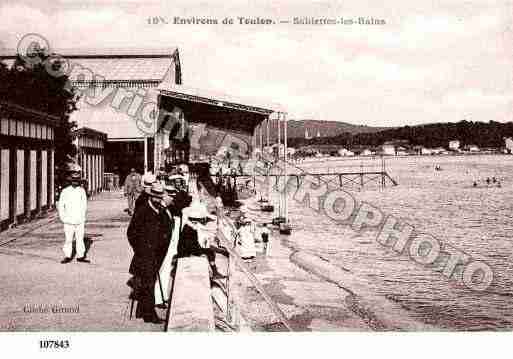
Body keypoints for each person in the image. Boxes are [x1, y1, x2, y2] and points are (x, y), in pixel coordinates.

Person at [127, 183, 172, 324]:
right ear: (151, 196)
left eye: (160, 197)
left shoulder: (160, 210)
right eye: (156, 197)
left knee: (147, 282)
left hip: (156, 254)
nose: (158, 200)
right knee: (149, 284)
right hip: (145, 255)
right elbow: (131, 233)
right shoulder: (143, 211)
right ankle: (149, 315)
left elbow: (165, 227)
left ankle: (141, 311)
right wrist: (141, 249)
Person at [177, 198, 226, 279]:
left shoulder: (191, 227)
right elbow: (191, 247)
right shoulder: (189, 230)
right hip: (186, 254)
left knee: (209, 251)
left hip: (190, 250)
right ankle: (214, 272)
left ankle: (214, 271)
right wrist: (202, 251)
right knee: (208, 252)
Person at [154, 184, 181, 308]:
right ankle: (159, 298)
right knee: (162, 272)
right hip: (163, 247)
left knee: (165, 272)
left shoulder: (167, 210)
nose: (172, 199)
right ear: (164, 196)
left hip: (168, 246)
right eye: (170, 196)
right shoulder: (161, 211)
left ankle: (163, 296)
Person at [57, 172, 89, 264]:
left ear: (79, 181)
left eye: (77, 181)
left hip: (79, 220)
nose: (75, 182)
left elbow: (84, 205)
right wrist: (63, 217)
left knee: (80, 238)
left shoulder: (81, 191)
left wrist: (82, 216)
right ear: (70, 181)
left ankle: (80, 256)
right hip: (68, 220)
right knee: (68, 239)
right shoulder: (65, 191)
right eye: (73, 181)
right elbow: (61, 205)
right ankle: (67, 256)